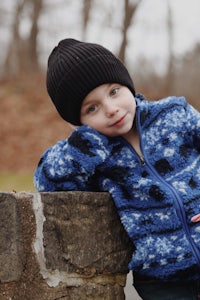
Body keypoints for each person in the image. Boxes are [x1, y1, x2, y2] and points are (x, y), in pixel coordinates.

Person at [34, 38, 200, 300]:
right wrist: (81, 147)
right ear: (79, 123)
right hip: (162, 279)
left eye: (114, 92)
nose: (111, 109)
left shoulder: (173, 115)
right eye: (92, 108)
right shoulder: (94, 154)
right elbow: (46, 181)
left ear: (128, 85)